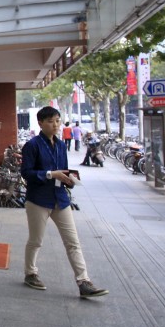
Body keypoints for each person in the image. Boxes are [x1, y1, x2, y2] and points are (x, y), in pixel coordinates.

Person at [20, 106, 108, 298]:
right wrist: (51, 174)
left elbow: (63, 170)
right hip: (38, 200)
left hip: (60, 198)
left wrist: (69, 179)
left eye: (57, 121)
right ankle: (30, 273)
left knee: (73, 242)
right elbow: (26, 173)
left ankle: (84, 281)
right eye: (50, 121)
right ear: (41, 123)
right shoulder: (32, 145)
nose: (55, 125)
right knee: (36, 240)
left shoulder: (60, 145)